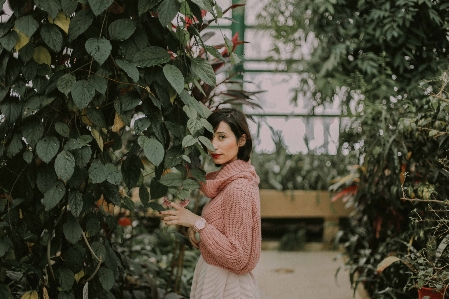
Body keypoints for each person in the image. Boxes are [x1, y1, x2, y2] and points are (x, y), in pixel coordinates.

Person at [160, 108, 262, 299]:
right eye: (210, 137)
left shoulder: (238, 188)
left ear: (241, 140)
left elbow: (238, 256)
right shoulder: (227, 182)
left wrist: (198, 223)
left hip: (229, 287)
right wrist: (202, 231)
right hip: (217, 279)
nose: (213, 145)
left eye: (222, 137)